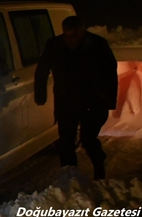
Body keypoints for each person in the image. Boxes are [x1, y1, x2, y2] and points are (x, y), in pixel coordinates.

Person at [34, 16, 118, 180]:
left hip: (92, 101)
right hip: (66, 100)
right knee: (65, 142)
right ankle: (70, 177)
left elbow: (110, 73)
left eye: (74, 36)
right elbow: (42, 70)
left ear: (82, 32)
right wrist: (40, 94)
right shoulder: (54, 45)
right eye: (67, 35)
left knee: (88, 138)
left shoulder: (98, 45)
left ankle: (99, 167)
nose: (70, 40)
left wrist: (108, 101)